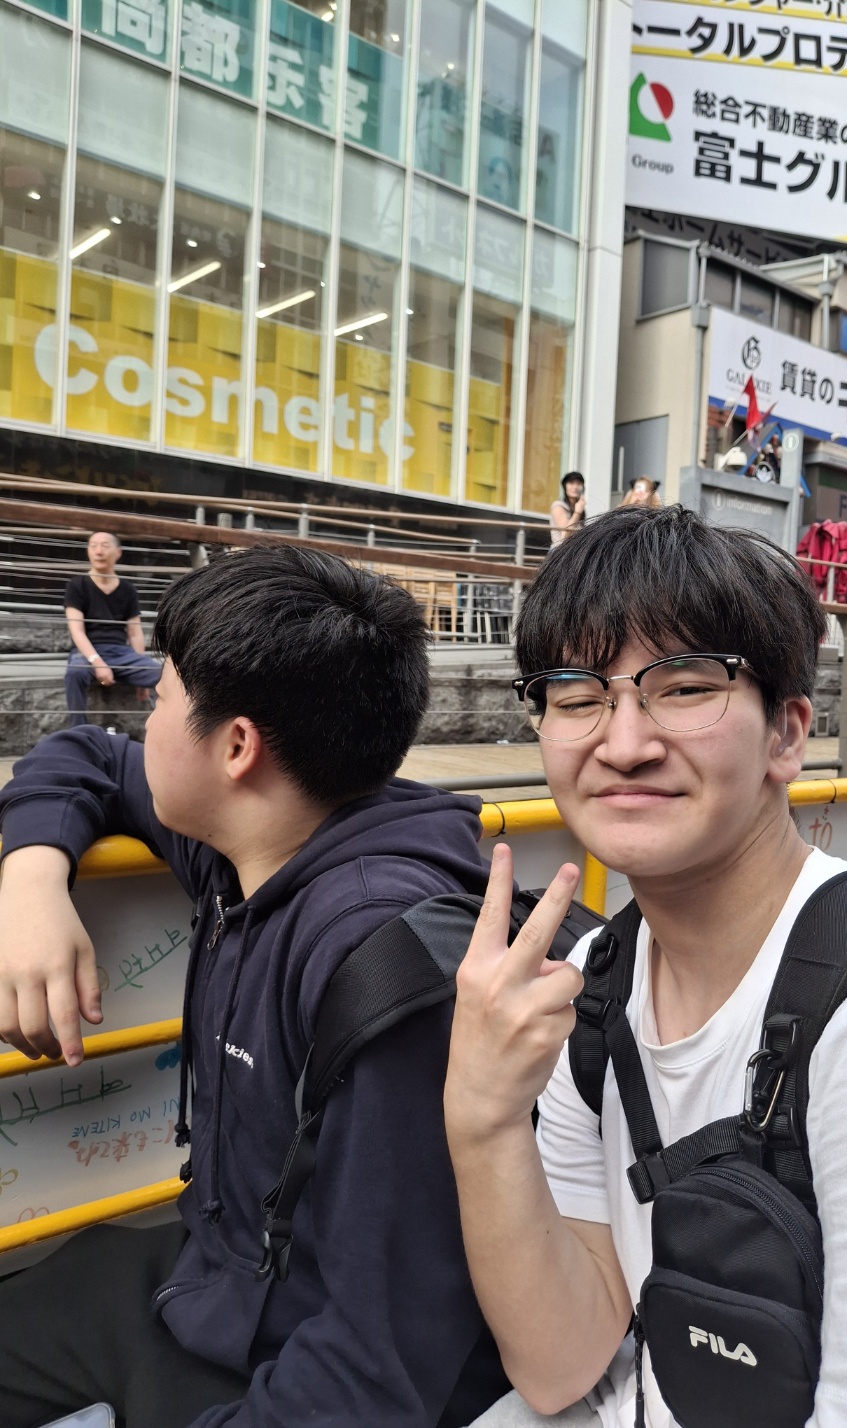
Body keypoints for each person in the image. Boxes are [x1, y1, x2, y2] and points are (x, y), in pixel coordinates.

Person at [444, 505, 847, 1428]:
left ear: (786, 734)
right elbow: (559, 1363)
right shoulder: (593, 983)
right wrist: (481, 1117)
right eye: (576, 698)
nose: (623, 744)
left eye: (685, 688)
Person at [0, 547, 505, 1428]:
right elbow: (84, 754)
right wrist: (32, 880)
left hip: (296, 1352)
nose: (144, 719)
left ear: (236, 747)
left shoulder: (379, 963)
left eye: (160, 697)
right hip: (221, 1277)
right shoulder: (254, 842)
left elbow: (377, 1361)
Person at [64, 531, 161, 725]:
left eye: (105, 546)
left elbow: (134, 632)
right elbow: (77, 631)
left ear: (118, 552)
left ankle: (162, 729)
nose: (98, 551)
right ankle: (77, 732)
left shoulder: (128, 589)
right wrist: (98, 663)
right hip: (87, 652)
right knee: (75, 673)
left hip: (121, 653)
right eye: (93, 546)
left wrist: (140, 672)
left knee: (165, 675)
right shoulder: (77, 585)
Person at [550, 473, 586, 545]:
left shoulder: (579, 508)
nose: (575, 487)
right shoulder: (559, 506)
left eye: (578, 484)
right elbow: (565, 535)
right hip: (560, 550)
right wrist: (577, 513)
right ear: (565, 486)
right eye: (571, 483)